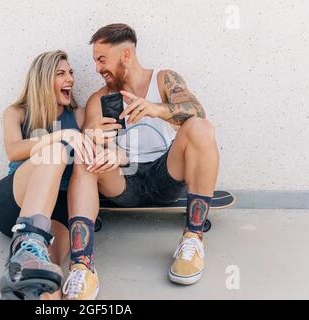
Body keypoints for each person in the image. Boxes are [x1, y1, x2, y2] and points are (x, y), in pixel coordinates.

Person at [61, 24, 219, 300]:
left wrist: (155, 109)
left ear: (125, 54)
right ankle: (82, 265)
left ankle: (193, 240)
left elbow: (197, 111)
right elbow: (94, 140)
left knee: (201, 128)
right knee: (86, 155)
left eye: (101, 59)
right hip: (122, 180)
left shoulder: (164, 79)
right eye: (95, 61)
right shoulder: (100, 98)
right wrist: (100, 141)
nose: (97, 68)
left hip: (165, 174)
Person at [0, 50, 94, 300]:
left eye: (71, 73)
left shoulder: (78, 115)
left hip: (57, 210)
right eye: (61, 74)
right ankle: (28, 242)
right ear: (43, 79)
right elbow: (13, 150)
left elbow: (95, 151)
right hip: (15, 201)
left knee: (47, 274)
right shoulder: (17, 112)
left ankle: (27, 278)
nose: (70, 78)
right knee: (55, 152)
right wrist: (60, 135)